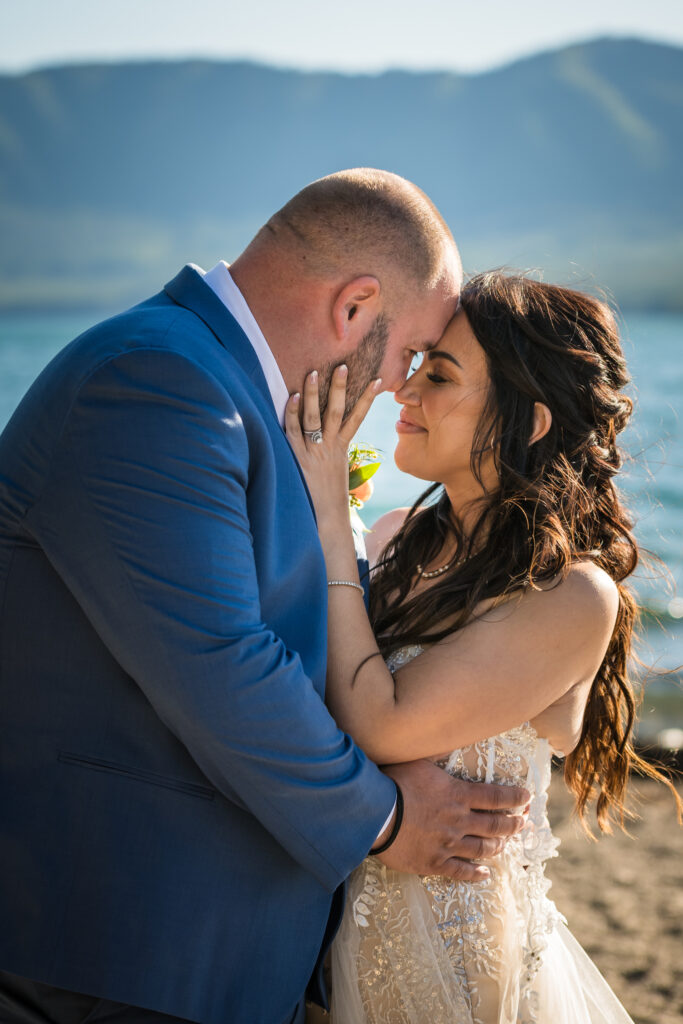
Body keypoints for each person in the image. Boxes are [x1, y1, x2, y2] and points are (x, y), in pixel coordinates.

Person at [0, 170, 530, 1024]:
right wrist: (389, 821)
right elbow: (219, 663)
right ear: (354, 308)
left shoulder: (226, 389)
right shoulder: (154, 381)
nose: (401, 386)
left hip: (196, 949)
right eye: (409, 356)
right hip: (119, 945)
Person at [287, 271, 682, 1023]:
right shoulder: (392, 538)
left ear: (529, 421)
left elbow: (381, 722)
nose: (403, 394)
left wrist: (328, 511)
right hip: (341, 949)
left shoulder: (569, 596)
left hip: (463, 972)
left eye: (438, 375)